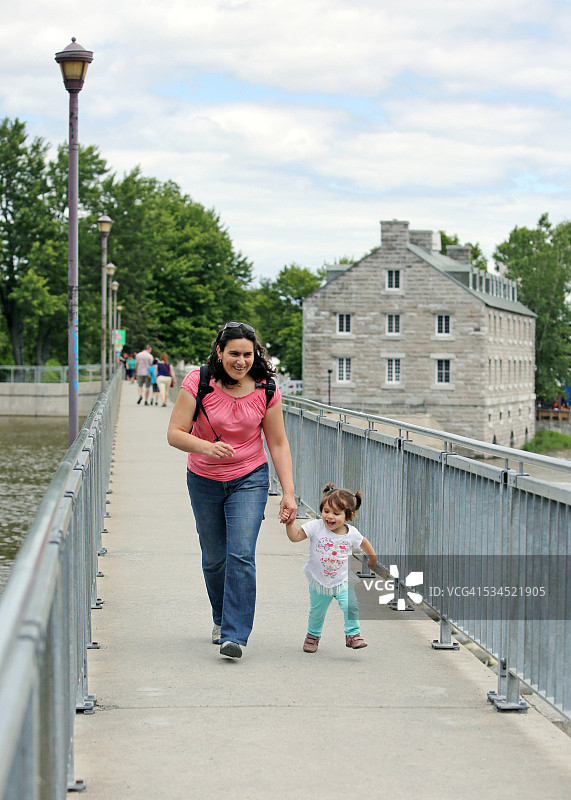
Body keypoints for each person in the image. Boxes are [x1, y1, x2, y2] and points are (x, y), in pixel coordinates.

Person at [167, 321, 297, 659]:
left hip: (250, 478)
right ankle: (221, 616)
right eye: (234, 354)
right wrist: (206, 447)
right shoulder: (198, 382)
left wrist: (288, 492)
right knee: (214, 558)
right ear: (219, 352)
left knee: (241, 553)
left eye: (247, 354)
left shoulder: (267, 389)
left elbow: (279, 443)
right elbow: (175, 433)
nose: (240, 361)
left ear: (256, 355)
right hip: (204, 478)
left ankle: (234, 635)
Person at [281, 483, 376, 653]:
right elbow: (295, 537)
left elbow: (364, 543)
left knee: (351, 605)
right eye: (326, 511)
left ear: (348, 516)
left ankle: (353, 635)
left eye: (336, 513)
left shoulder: (351, 533)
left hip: (342, 580)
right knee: (317, 612)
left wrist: (372, 558)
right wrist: (289, 523)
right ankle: (312, 636)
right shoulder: (315, 527)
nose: (329, 517)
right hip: (319, 580)